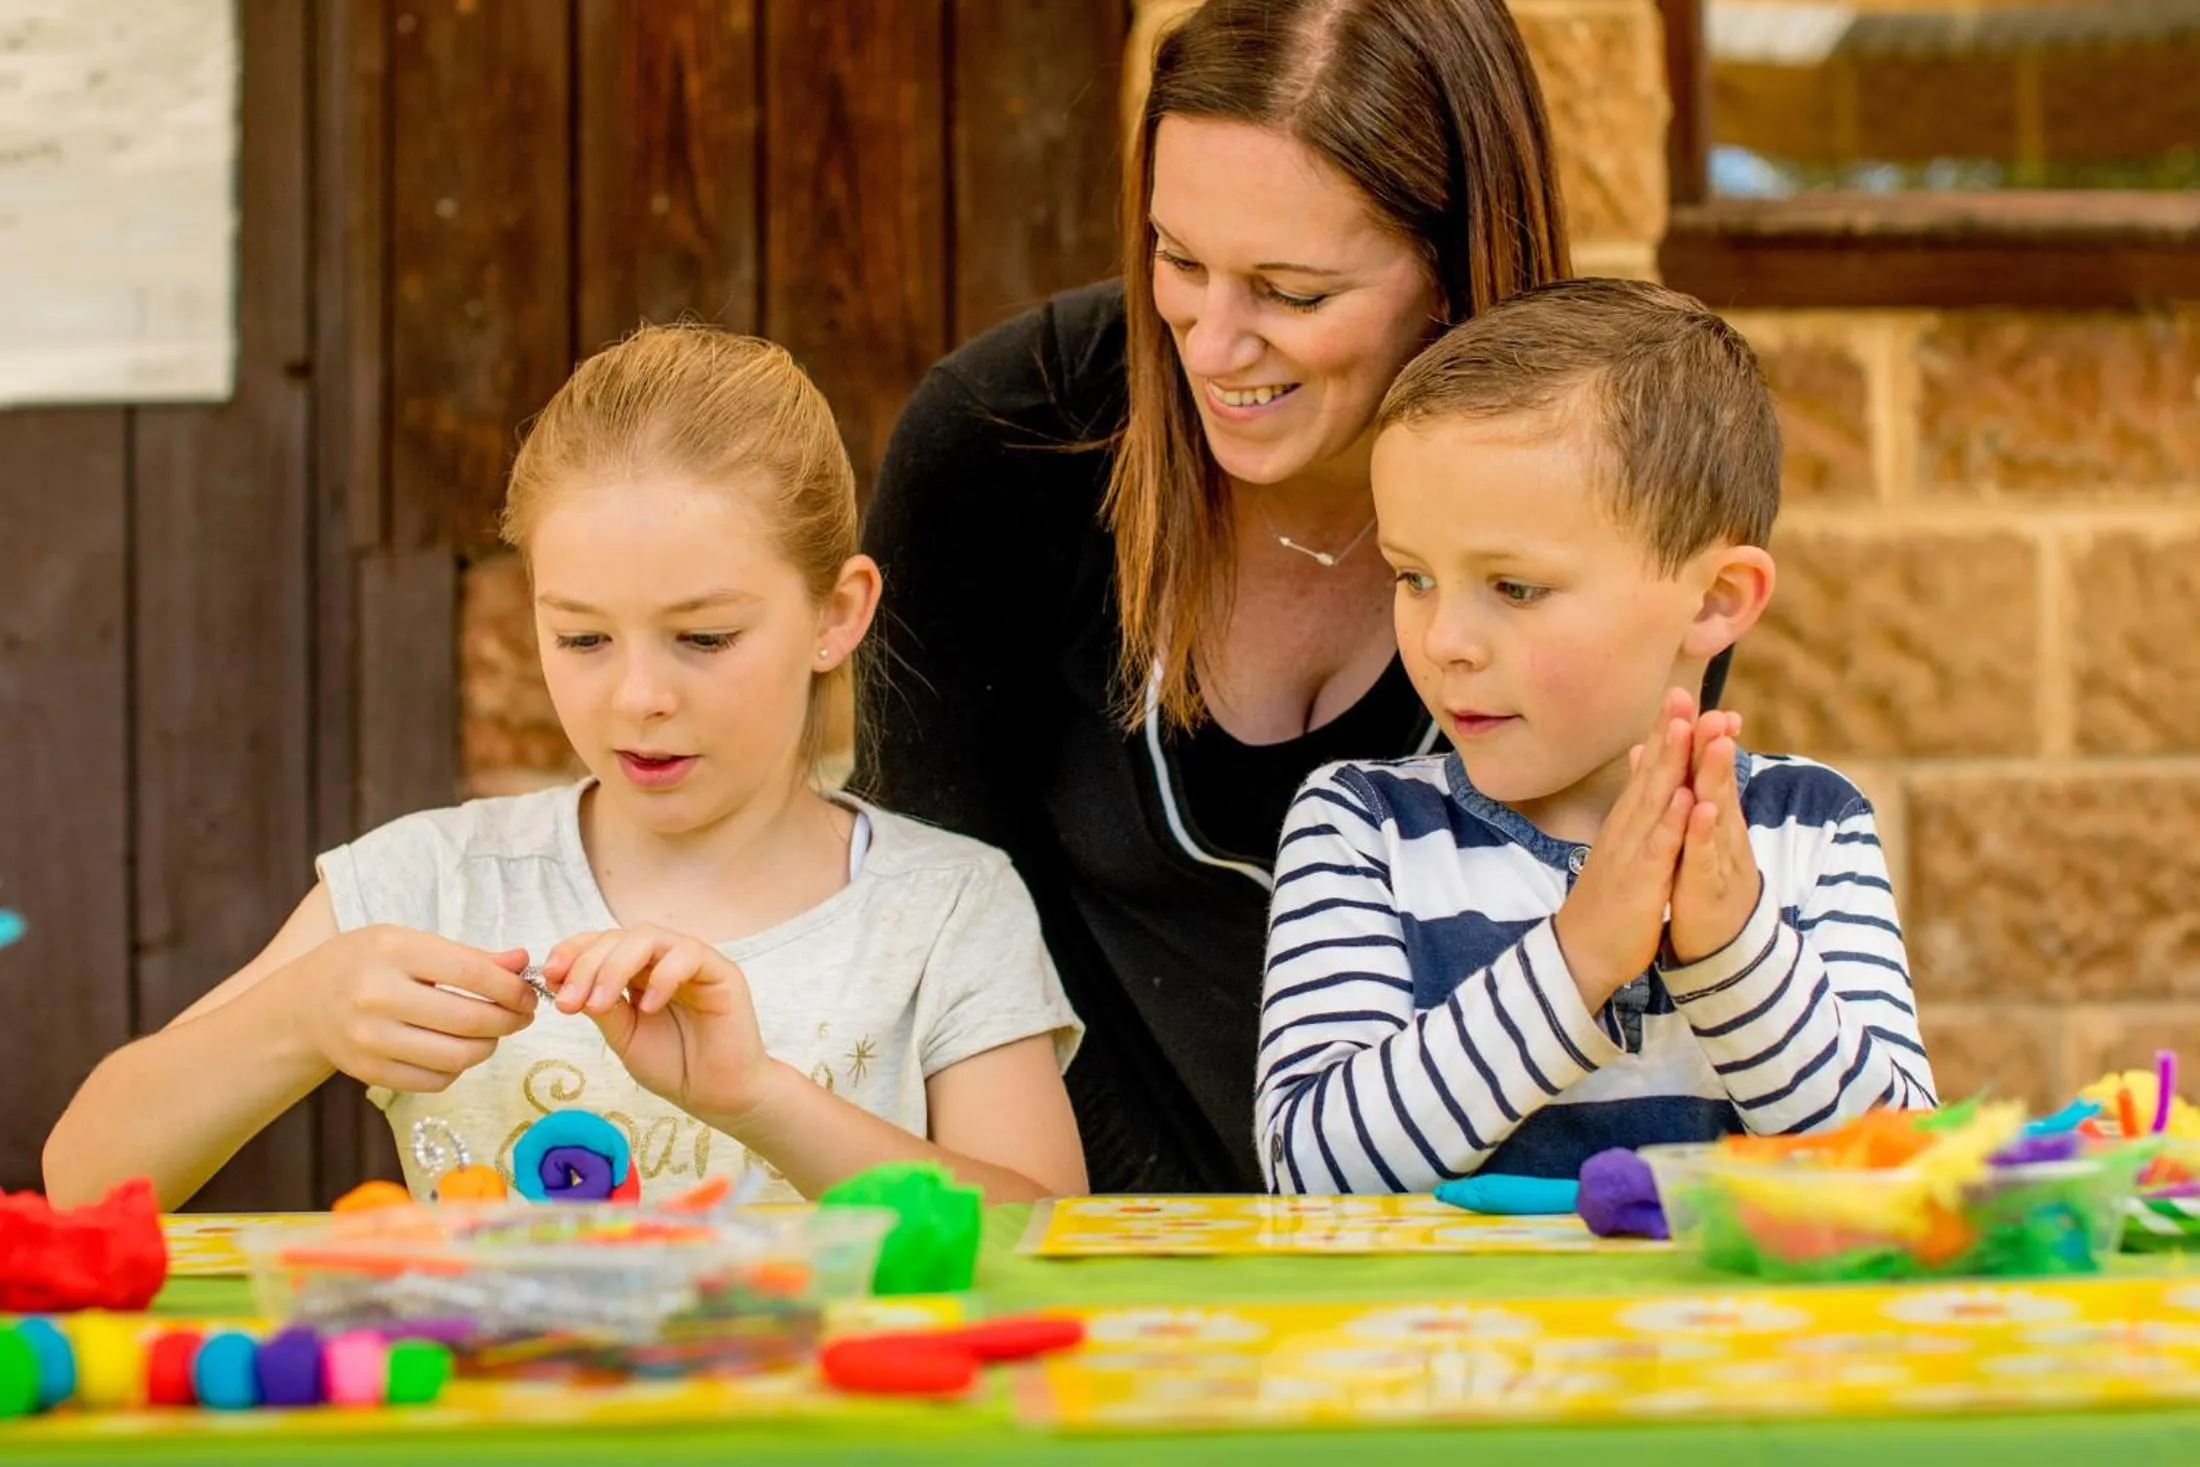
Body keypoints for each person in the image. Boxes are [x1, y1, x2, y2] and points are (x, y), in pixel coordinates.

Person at [853, 0, 1672, 1191]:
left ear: (1449, 273)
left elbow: (1613, 956)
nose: (1211, 345)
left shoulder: (1614, 489)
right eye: (1179, 261)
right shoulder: (1002, 441)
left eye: (1290, 293)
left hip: (1484, 1245)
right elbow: (926, 938)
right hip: (1082, 1242)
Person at [45, 325, 1086, 1210]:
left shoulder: (944, 909)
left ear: (837, 613)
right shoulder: (431, 882)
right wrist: (299, 1014)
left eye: (705, 637)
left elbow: (1048, 1234)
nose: (638, 696)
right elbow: (84, 1179)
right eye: (582, 638)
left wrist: (757, 1098)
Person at [1255, 278, 1935, 1193]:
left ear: (1714, 600)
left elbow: (1902, 1173)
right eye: (1413, 577)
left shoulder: (1810, 827)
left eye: (1515, 587)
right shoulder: (1362, 826)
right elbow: (1311, 1172)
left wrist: (1733, 952)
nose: (1444, 640)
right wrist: (1576, 958)